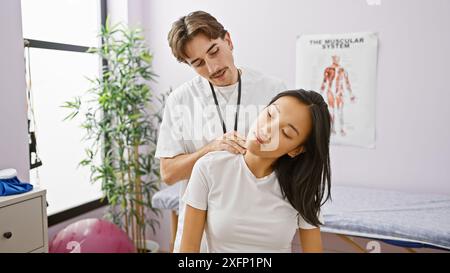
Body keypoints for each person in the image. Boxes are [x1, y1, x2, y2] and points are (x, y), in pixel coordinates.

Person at [155, 10, 286, 252]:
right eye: (198, 63)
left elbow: (290, 156)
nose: (212, 67)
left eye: (213, 51)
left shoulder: (273, 90)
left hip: (260, 233)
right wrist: (211, 149)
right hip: (199, 240)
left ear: (228, 40)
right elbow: (168, 173)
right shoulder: (180, 100)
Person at [180, 89, 331, 252]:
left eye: (286, 133)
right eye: (270, 115)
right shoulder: (209, 168)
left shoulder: (302, 187)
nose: (267, 130)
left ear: (296, 150)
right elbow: (189, 248)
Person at [320, 55, 355, 136]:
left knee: (340, 111)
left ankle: (341, 128)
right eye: (335, 58)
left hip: (339, 92)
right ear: (332, 59)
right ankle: (332, 128)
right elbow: (324, 82)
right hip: (330, 92)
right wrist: (319, 94)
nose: (336, 59)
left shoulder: (343, 70)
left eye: (337, 58)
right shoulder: (328, 69)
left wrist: (351, 94)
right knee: (331, 110)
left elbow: (347, 83)